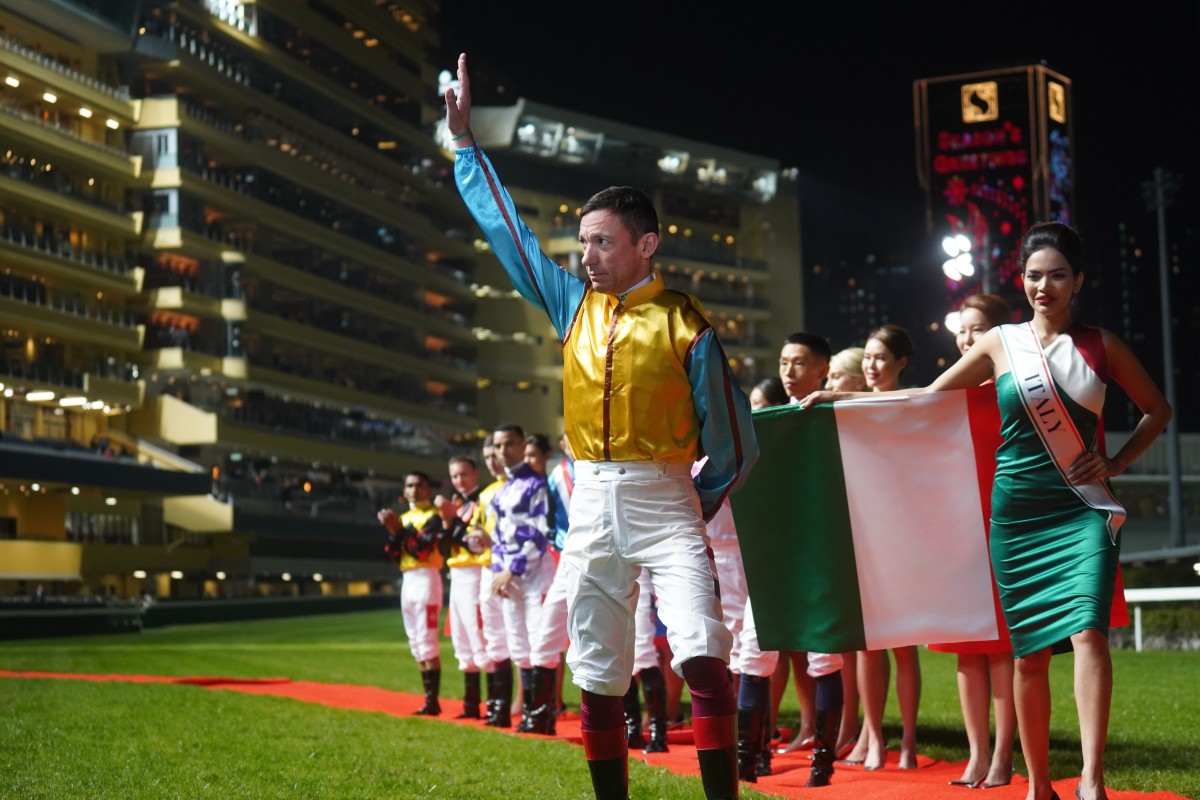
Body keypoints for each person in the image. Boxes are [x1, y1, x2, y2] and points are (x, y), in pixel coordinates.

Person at [446, 53, 759, 800]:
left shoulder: (685, 322)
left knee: (703, 650)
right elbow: (511, 235)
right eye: (582, 242)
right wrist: (465, 146)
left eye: (602, 242)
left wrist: (696, 498)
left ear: (646, 244)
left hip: (667, 499)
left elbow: (735, 439)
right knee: (596, 672)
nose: (585, 256)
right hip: (590, 503)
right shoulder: (572, 305)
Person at [801, 222, 1171, 800]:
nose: (1044, 287)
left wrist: (1117, 462)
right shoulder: (1002, 343)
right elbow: (928, 397)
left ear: (1078, 281)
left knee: (1089, 636)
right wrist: (842, 398)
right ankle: (1040, 784)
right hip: (1017, 516)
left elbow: (1157, 410)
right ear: (1021, 280)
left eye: (1057, 276)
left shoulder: (1102, 345)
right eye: (1034, 276)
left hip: (1082, 510)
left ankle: (1091, 779)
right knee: (1028, 656)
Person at [927, 293, 1018, 789]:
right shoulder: (946, 392)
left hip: (1004, 526)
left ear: (998, 334)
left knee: (1002, 648)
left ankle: (1003, 757)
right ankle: (977, 755)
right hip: (955, 530)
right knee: (966, 646)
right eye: (961, 330)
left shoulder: (1015, 388)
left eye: (976, 329)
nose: (966, 339)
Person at [840, 322, 923, 771]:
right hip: (861, 533)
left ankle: (907, 741)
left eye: (881, 359)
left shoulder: (910, 403)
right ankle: (873, 737)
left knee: (903, 644)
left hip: (902, 535)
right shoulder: (848, 409)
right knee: (867, 644)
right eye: (868, 357)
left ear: (901, 363)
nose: (872, 366)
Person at [764, 332, 846, 787]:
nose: (788, 371)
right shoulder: (768, 421)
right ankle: (753, 757)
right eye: (783, 362)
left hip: (824, 556)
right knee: (755, 651)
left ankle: (823, 762)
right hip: (774, 556)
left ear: (823, 370)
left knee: (824, 656)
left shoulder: (838, 416)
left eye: (798, 362)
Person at [489, 422, 555, 735]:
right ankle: (529, 714)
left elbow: (540, 534)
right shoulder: (503, 489)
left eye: (509, 444)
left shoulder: (536, 483)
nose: (503, 451)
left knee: (540, 641)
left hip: (534, 575)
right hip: (509, 578)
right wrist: (498, 573)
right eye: (498, 446)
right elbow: (498, 537)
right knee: (518, 644)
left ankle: (543, 718)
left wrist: (511, 569)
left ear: (521, 445)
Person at [377, 471, 445, 715]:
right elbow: (393, 554)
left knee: (427, 640)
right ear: (404, 491)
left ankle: (433, 701)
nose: (414, 490)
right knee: (415, 641)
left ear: (428, 490)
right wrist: (396, 531)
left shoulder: (434, 517)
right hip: (408, 579)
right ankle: (428, 700)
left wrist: (399, 530)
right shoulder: (404, 518)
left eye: (419, 485)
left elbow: (422, 550)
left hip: (427, 577)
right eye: (409, 486)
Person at [436, 454, 491, 720]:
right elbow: (445, 547)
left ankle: (495, 705)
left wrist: (452, 519)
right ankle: (471, 706)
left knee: (480, 638)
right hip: (456, 576)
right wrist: (448, 520)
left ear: (475, 473)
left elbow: (475, 544)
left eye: (463, 474)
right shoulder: (458, 504)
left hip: (476, 573)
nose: (459, 480)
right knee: (462, 640)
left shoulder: (483, 501)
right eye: (454, 476)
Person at [471, 441, 515, 727]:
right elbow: (475, 532)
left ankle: (531, 708)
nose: (491, 461)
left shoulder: (520, 486)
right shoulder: (485, 494)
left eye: (495, 454)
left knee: (521, 639)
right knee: (495, 638)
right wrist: (474, 541)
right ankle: (499, 709)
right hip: (488, 570)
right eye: (486, 456)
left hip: (514, 570)